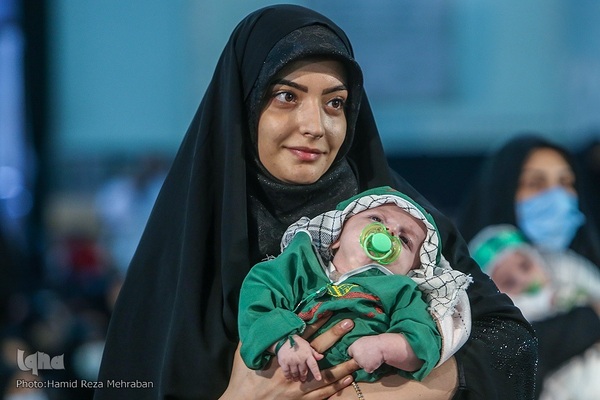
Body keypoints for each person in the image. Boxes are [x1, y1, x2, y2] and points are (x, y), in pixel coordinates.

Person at [95, 5, 537, 399]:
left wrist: (392, 390)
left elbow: (513, 344)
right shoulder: (187, 243)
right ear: (245, 104)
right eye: (286, 97)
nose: (315, 125)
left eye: (335, 103)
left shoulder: (397, 215)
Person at [239, 187, 471, 384]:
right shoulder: (299, 266)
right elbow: (257, 301)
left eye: (404, 240)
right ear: (337, 236)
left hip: (359, 384)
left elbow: (423, 341)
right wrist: (281, 342)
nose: (389, 232)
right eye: (376, 219)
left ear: (411, 271)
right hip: (290, 375)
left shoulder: (401, 291)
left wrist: (387, 347)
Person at [457, 133, 600, 398]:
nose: (556, 195)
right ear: (503, 189)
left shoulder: (581, 264)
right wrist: (588, 318)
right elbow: (504, 358)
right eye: (535, 183)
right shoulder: (468, 276)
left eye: (566, 182)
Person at [469, 224, 600, 399]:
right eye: (509, 282)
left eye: (525, 266)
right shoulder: (510, 345)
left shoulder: (572, 281)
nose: (524, 280)